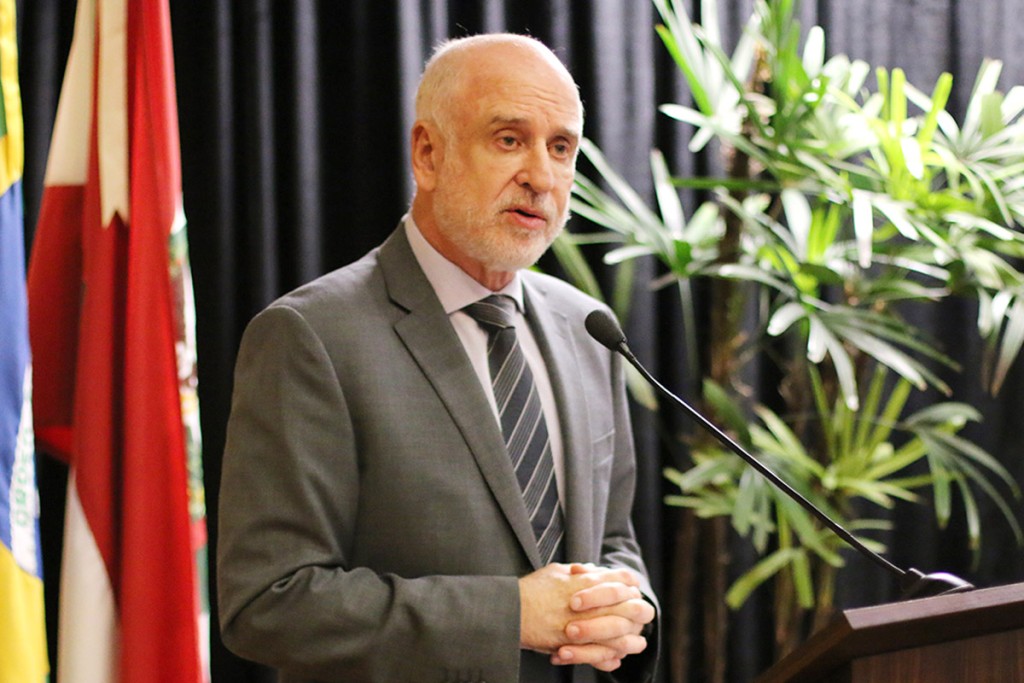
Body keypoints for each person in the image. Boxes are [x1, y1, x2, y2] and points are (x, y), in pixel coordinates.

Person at [217, 33, 659, 683]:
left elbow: (613, 539)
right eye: (509, 139)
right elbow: (268, 602)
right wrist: (508, 615)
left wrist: (627, 607)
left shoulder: (587, 328)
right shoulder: (311, 336)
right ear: (428, 154)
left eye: (561, 147)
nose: (541, 176)